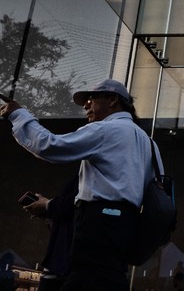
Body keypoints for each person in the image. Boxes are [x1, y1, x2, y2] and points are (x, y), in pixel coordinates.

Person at [0, 78, 160, 291]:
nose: (86, 106)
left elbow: (50, 146)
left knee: (89, 277)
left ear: (112, 100)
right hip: (127, 225)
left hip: (99, 222)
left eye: (91, 99)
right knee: (106, 278)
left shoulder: (107, 130)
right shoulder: (149, 143)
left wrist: (19, 114)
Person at [22, 175, 78, 291]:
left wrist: (48, 205)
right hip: (61, 262)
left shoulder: (88, 176)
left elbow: (75, 203)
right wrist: (49, 213)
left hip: (66, 263)